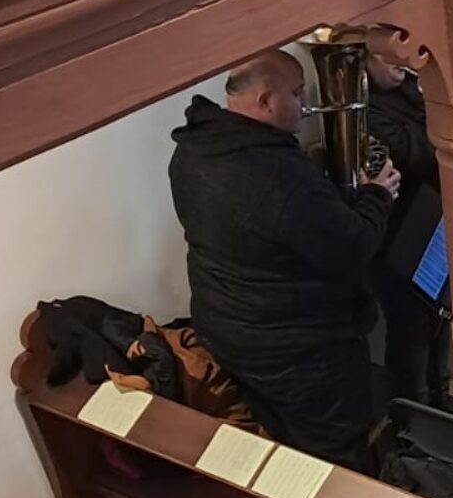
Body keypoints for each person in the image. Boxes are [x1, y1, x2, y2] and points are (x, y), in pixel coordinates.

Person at [168, 50, 401, 470]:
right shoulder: (274, 174)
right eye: (298, 94)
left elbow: (278, 232)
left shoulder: (193, 151)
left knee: (281, 445)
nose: (307, 105)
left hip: (233, 331)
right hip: (300, 352)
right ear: (264, 102)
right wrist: (377, 195)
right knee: (336, 457)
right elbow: (353, 246)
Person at [362, 48, 448, 409]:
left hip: (433, 220)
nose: (401, 63)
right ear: (365, 58)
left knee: (440, 318)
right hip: (397, 234)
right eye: (387, 56)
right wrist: (441, 119)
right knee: (409, 329)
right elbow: (419, 155)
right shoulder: (368, 110)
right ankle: (415, 411)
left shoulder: (411, 89)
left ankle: (440, 396)